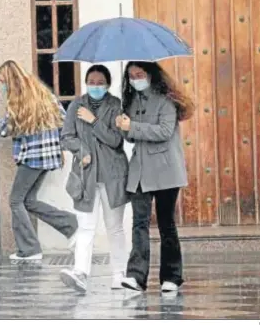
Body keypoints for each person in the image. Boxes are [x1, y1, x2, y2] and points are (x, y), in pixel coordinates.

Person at [0, 60, 78, 261]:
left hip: (32, 158)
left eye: (3, 82)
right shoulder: (45, 94)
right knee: (29, 201)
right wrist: (59, 147)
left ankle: (30, 249)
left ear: (10, 80)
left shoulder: (19, 102)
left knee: (16, 201)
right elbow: (63, 120)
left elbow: (3, 129)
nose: (3, 86)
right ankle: (70, 225)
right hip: (48, 157)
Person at [116, 61, 194, 293]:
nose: (135, 79)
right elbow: (131, 138)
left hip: (165, 171)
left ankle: (172, 277)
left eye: (139, 74)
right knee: (139, 223)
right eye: (130, 76)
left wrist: (133, 126)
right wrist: (123, 127)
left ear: (150, 75)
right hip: (140, 172)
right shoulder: (131, 102)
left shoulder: (166, 100)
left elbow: (163, 131)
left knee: (166, 224)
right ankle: (136, 276)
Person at [59, 65, 131, 293]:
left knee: (115, 228)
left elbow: (116, 141)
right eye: (91, 81)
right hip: (85, 177)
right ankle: (80, 272)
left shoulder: (116, 105)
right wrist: (82, 152)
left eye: (100, 82)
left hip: (112, 176)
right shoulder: (75, 106)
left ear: (107, 84)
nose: (95, 85)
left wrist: (93, 121)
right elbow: (67, 137)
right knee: (85, 227)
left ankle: (119, 273)